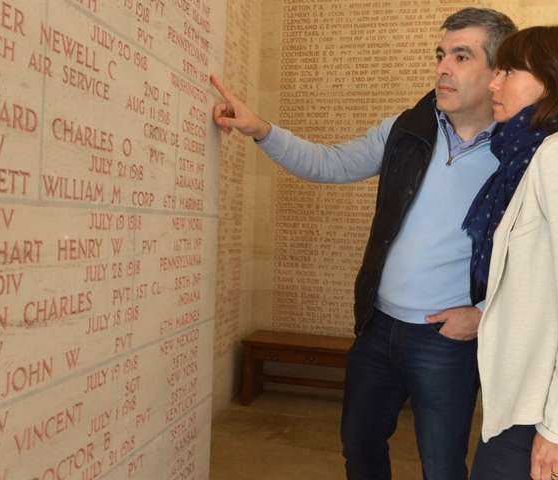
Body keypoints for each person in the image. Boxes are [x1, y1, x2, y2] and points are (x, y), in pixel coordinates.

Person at [211, 8, 516, 479]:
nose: (443, 67)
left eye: (461, 56)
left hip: (448, 342)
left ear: (498, 71)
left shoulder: (518, 153)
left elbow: (540, 261)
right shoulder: (406, 130)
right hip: (378, 328)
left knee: (442, 466)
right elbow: (329, 163)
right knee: (360, 446)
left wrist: (484, 315)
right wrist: (261, 130)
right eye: (440, 54)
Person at [461, 26, 558, 480]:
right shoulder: (553, 151)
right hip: (539, 395)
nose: (493, 83)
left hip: (538, 405)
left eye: (508, 71)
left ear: (554, 80)